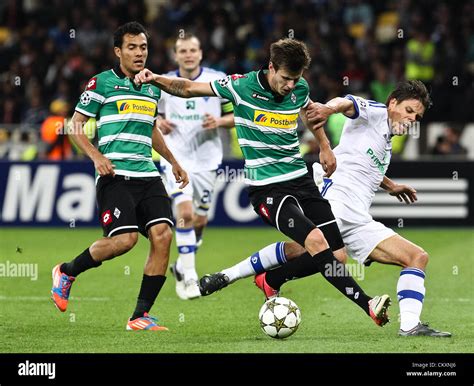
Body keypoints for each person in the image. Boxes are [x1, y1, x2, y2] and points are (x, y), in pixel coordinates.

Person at [135, 38, 391, 326]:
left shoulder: (300, 89)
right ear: (271, 67)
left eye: (296, 79)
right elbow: (188, 88)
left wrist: (324, 146)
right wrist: (156, 78)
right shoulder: (241, 86)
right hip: (267, 189)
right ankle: (368, 304)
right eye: (285, 79)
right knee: (316, 241)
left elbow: (311, 113)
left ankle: (270, 279)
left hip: (301, 179)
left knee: (339, 256)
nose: (291, 86)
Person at [199, 80, 451, 337]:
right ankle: (230, 275)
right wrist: (327, 110)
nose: (412, 119)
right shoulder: (375, 112)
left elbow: (361, 164)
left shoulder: (386, 139)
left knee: (417, 257)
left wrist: (390, 185)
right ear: (393, 103)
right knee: (318, 250)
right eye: (409, 111)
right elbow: (347, 102)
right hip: (336, 202)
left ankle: (409, 326)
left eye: (417, 116)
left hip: (360, 217)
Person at [50, 22, 189, 331]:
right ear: (118, 51)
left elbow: (150, 127)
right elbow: (74, 126)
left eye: (143, 47)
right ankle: (67, 271)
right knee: (124, 241)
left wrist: (174, 161)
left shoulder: (153, 86)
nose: (139, 53)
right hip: (116, 175)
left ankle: (139, 316)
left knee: (164, 236)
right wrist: (96, 156)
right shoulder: (101, 83)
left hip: (148, 174)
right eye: (132, 47)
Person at [157, 33, 234, 300]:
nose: (188, 55)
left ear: (200, 53)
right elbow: (147, 113)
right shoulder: (165, 82)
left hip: (207, 160)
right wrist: (157, 121)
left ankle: (180, 265)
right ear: (176, 55)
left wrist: (220, 122)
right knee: (185, 214)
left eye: (193, 50)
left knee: (200, 220)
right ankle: (189, 277)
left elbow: (238, 114)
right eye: (183, 51)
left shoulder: (216, 80)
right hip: (176, 159)